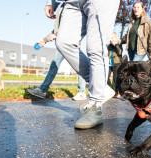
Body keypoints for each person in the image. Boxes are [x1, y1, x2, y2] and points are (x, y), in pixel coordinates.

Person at [45, 0, 120, 129]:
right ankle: (101, 87)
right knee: (63, 43)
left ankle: (95, 105)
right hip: (72, 2)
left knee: (95, 49)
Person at [27, 4, 87, 101]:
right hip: (62, 41)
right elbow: (59, 28)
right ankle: (43, 90)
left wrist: (55, 35)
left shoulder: (74, 5)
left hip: (70, 41)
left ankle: (83, 92)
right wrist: (45, 40)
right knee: (55, 65)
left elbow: (72, 25)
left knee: (80, 65)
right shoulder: (64, 5)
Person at [107, 32, 122, 98]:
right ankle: (111, 90)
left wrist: (115, 45)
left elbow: (119, 52)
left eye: (112, 38)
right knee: (106, 78)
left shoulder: (119, 44)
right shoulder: (108, 46)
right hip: (109, 64)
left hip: (116, 64)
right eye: (110, 38)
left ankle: (116, 92)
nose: (111, 39)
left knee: (115, 79)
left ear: (116, 38)